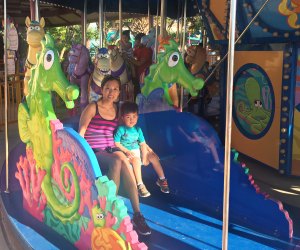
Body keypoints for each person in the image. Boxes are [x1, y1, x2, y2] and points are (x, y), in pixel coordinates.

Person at [78, 75, 151, 235]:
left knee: (123, 161)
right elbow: (81, 133)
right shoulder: (93, 107)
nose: (111, 92)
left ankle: (137, 214)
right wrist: (82, 156)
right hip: (94, 151)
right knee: (119, 159)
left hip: (112, 151)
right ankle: (111, 207)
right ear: (101, 90)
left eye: (115, 89)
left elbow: (126, 131)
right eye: (108, 88)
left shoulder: (119, 109)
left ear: (119, 93)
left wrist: (141, 145)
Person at [114, 101, 170, 198]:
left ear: (137, 117)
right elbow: (117, 143)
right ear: (122, 117)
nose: (132, 120)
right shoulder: (121, 129)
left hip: (139, 152)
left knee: (153, 157)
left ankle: (162, 180)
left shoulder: (138, 129)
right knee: (136, 160)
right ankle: (140, 185)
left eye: (134, 116)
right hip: (128, 155)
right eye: (128, 117)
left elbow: (143, 144)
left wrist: (144, 157)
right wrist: (126, 151)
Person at [126, 33, 153, 98]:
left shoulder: (146, 50)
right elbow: (133, 54)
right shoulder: (138, 49)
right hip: (137, 73)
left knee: (141, 92)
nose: (136, 43)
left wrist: (128, 58)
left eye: (137, 41)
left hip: (143, 76)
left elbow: (139, 63)